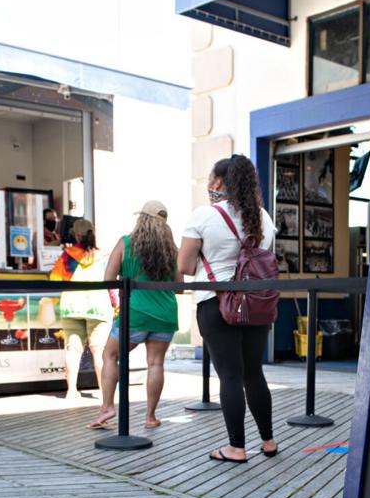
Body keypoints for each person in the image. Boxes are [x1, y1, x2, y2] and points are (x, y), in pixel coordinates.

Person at [177, 154, 278, 464]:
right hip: (255, 302)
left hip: (216, 302)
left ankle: (236, 447)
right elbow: (266, 257)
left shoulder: (204, 216)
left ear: (219, 182)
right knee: (253, 374)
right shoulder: (263, 217)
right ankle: (269, 441)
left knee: (230, 376)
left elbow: (184, 265)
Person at [87, 201, 179, 430]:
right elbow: (179, 287)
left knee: (109, 355)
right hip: (165, 313)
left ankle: (107, 407)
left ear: (141, 219)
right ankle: (150, 417)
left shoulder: (126, 243)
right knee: (156, 363)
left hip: (134, 313)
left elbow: (108, 278)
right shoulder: (172, 249)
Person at [49, 218, 112, 401]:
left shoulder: (67, 256)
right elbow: (112, 281)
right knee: (99, 350)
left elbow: (55, 279)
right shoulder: (103, 256)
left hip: (72, 306)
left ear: (75, 234)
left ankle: (71, 391)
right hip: (98, 306)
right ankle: (103, 392)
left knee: (73, 349)